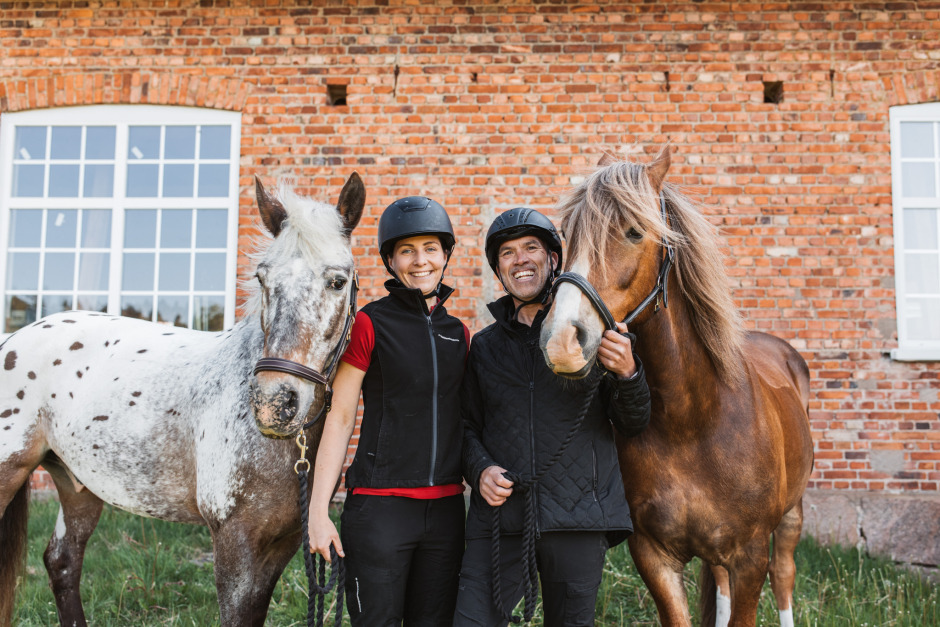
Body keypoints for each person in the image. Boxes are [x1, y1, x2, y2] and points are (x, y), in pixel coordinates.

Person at [454, 208, 651, 627]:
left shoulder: (589, 335)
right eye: (507, 253)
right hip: (501, 522)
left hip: (577, 521)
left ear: (554, 260)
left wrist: (629, 373)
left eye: (531, 248)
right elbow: (466, 426)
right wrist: (480, 469)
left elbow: (632, 422)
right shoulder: (484, 348)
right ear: (498, 269)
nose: (520, 259)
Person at [308, 196, 469, 626]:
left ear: (445, 254)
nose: (420, 261)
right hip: (380, 511)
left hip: (447, 514)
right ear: (391, 261)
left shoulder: (460, 333)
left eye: (430, 248)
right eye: (407, 250)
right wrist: (318, 512)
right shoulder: (369, 323)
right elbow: (341, 417)